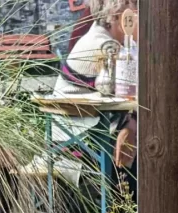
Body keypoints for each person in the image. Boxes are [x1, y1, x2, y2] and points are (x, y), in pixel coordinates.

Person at [53, 0, 137, 200]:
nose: (138, 13)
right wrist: (131, 125)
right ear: (117, 13)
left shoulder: (103, 38)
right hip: (79, 149)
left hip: (88, 137)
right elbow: (134, 95)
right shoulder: (104, 46)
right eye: (135, 6)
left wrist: (131, 125)